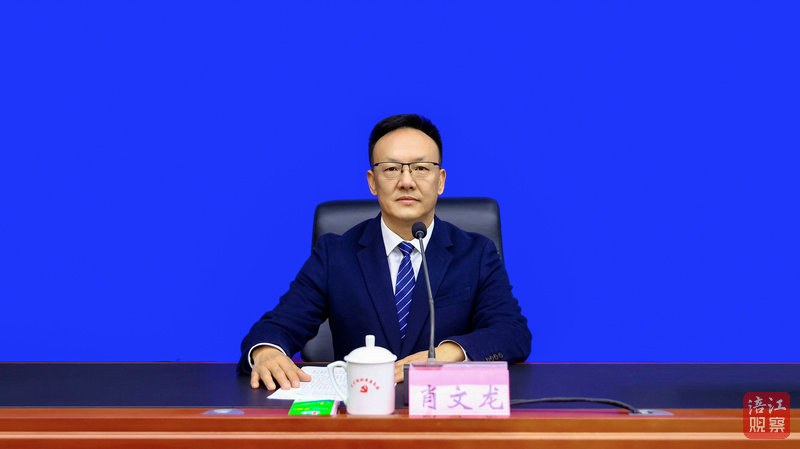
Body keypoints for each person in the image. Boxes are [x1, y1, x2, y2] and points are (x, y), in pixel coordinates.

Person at [238, 114, 531, 390]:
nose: (406, 181)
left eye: (421, 168)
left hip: (443, 411)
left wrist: (447, 352)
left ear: (440, 180)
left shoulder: (476, 253)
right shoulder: (335, 254)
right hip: (360, 410)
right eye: (391, 169)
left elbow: (513, 332)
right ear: (372, 182)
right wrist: (266, 351)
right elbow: (278, 326)